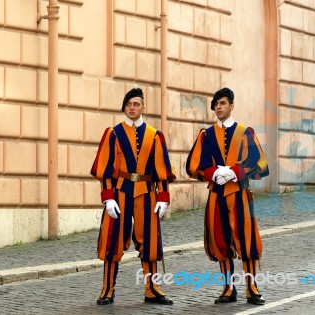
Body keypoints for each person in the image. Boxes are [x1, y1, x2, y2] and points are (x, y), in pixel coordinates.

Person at [90, 87, 175, 306]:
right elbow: (106, 168)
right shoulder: (113, 133)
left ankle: (152, 289)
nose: (132, 107)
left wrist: (163, 197)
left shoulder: (155, 135)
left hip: (147, 194)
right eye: (129, 104)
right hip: (120, 193)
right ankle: (107, 290)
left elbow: (161, 170)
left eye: (136, 104)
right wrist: (108, 197)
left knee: (150, 241)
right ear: (124, 107)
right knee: (112, 241)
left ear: (143, 107)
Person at [186, 87, 269, 305]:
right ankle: (228, 288)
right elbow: (194, 165)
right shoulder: (206, 135)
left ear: (231, 105)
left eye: (222, 103)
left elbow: (259, 162)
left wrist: (235, 172)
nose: (218, 107)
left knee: (246, 239)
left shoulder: (245, 132)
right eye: (215, 104)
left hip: (239, 192)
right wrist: (214, 173)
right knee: (220, 240)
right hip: (217, 193)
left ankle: (252, 288)